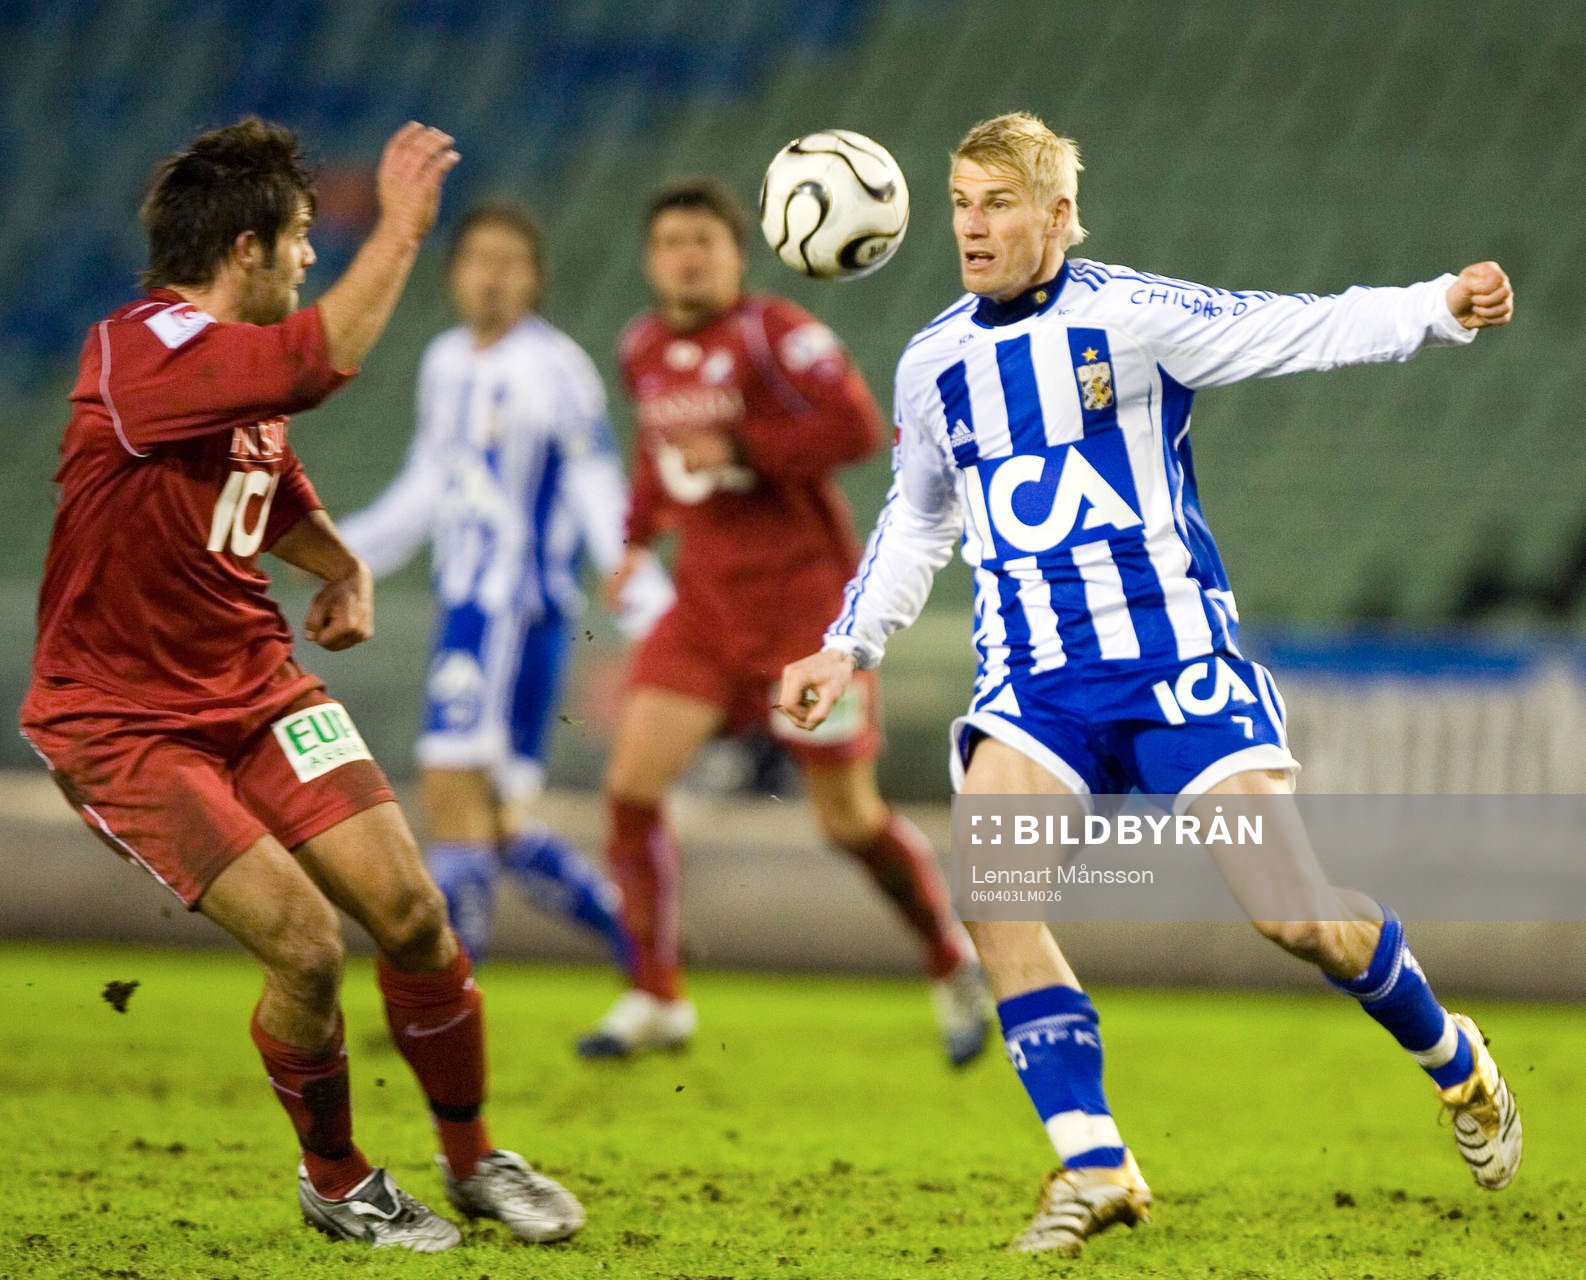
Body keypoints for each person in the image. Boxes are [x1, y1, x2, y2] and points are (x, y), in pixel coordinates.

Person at [780, 112, 1521, 1257]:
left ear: (1057, 217)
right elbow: (917, 514)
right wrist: (849, 640)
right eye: (959, 203)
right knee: (997, 889)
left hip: (1175, 663)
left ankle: (1449, 1056)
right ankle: (1093, 1161)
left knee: (1297, 917)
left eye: (998, 205)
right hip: (1034, 681)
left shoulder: (1128, 318)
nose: (971, 227)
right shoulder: (933, 361)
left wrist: (1435, 305)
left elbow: (1293, 328)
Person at [19, 119, 585, 1253]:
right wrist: (406, 227)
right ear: (244, 248)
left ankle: (472, 1161)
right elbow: (318, 364)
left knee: (415, 915)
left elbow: (267, 479)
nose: (311, 259)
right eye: (300, 240)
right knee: (305, 943)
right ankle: (336, 1177)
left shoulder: (225, 370)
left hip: (256, 686)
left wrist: (340, 561)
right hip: (127, 725)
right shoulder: (143, 348)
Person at [579, 178, 991, 1064]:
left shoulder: (778, 335)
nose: (688, 256)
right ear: (652, 261)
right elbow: (658, 455)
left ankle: (950, 958)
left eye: (705, 240)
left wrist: (743, 448)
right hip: (705, 609)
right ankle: (657, 995)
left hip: (806, 613)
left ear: (738, 254)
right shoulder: (641, 345)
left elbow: (856, 430)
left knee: (846, 821)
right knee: (632, 788)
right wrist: (634, 539)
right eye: (671, 242)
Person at [338, 201, 670, 972]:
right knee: (493, 820)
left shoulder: (553, 368)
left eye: (509, 262)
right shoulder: (445, 362)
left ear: (535, 280)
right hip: (468, 606)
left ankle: (451, 994)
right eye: (478, 259)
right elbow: (428, 482)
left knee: (454, 798)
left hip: (515, 611)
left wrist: (649, 603)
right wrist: (344, 550)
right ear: (454, 275)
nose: (492, 276)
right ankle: (643, 946)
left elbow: (597, 485)